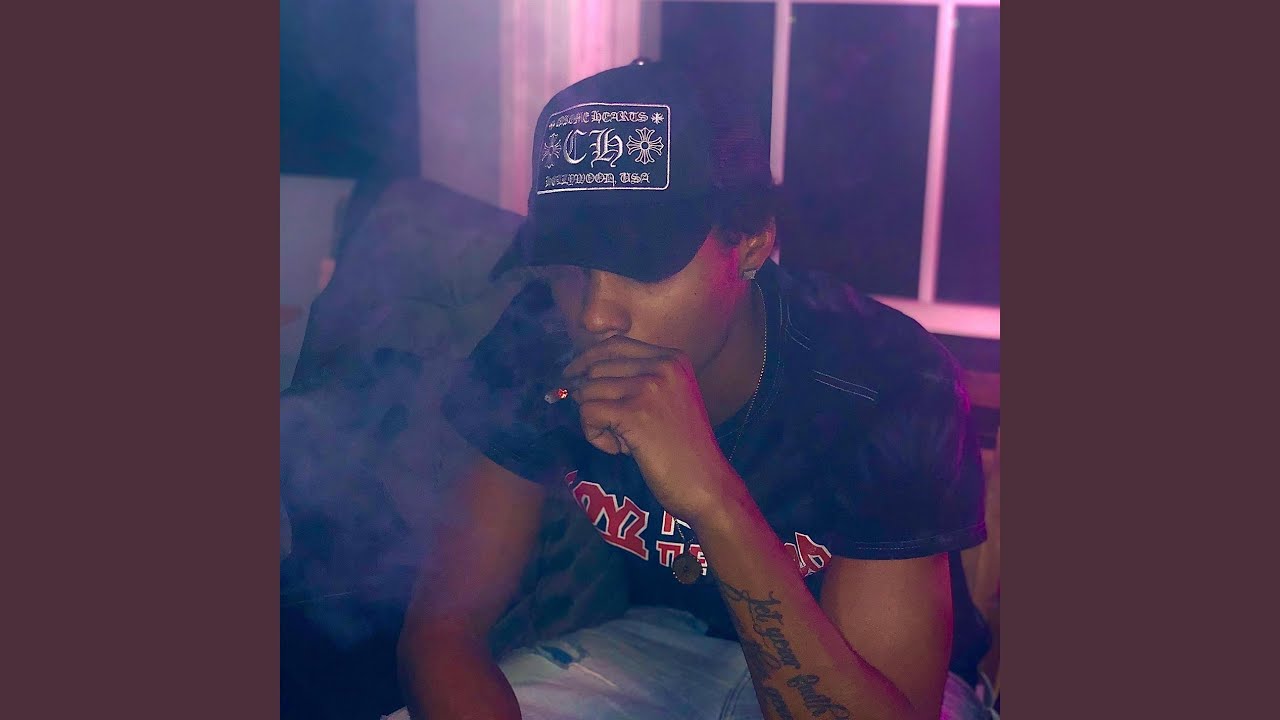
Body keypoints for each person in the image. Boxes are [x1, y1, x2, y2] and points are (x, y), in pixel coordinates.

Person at [394, 60, 995, 720]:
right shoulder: (539, 339)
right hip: (662, 645)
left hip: (868, 677)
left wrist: (711, 497)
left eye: (642, 266)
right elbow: (442, 632)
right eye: (569, 267)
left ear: (752, 243)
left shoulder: (885, 380)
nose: (595, 314)